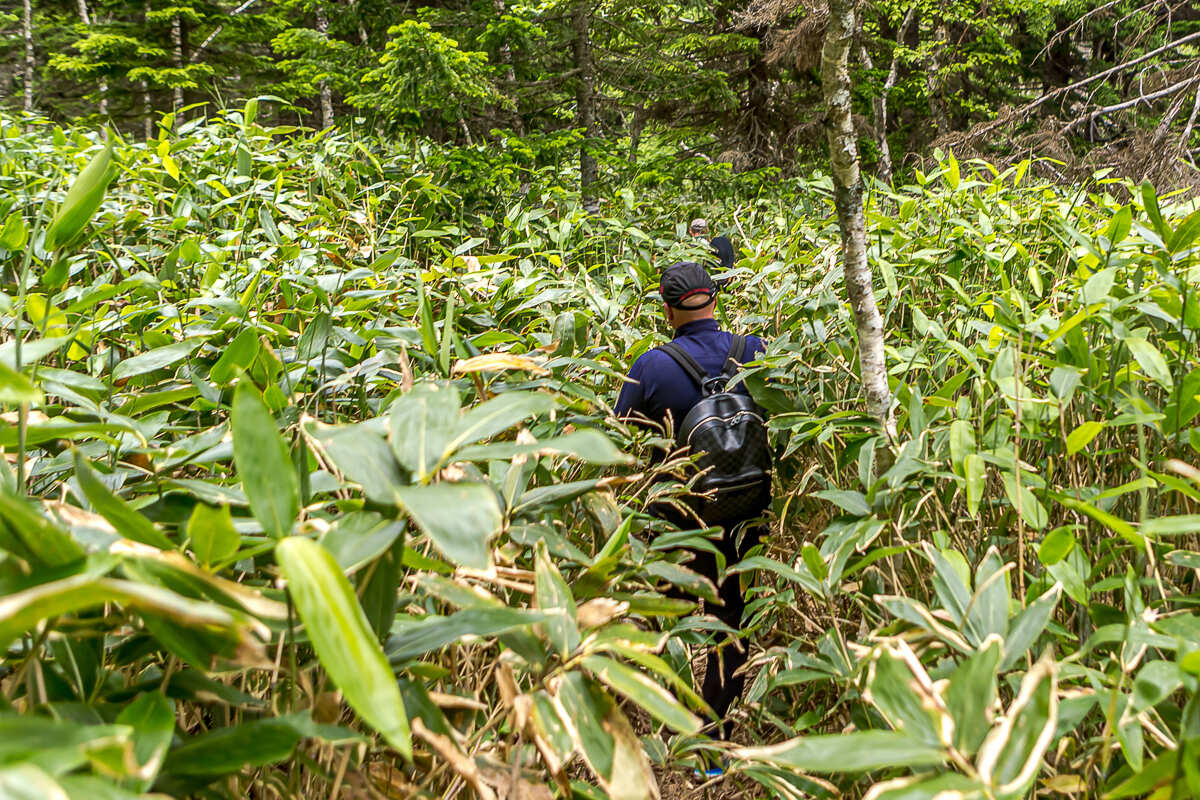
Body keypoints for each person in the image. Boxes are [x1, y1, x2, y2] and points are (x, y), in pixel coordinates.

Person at [615, 260, 767, 740]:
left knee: (671, 616)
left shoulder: (653, 365)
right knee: (731, 621)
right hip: (744, 516)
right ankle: (712, 732)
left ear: (668, 309)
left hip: (679, 518)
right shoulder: (755, 349)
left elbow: (623, 432)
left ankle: (671, 723)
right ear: (715, 299)